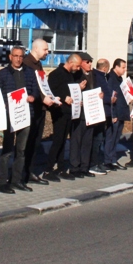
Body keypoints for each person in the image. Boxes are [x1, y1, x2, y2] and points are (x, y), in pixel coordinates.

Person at [0, 46, 38, 194]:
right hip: (9, 117)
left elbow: (35, 90)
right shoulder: (2, 74)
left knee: (21, 150)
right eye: (15, 56)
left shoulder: (30, 73)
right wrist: (4, 103)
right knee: (7, 150)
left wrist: (33, 97)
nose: (18, 59)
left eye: (21, 56)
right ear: (10, 57)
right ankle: (1, 182)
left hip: (25, 115)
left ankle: (16, 180)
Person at [43, 54, 83, 182]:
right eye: (77, 66)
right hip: (59, 111)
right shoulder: (56, 74)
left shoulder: (70, 75)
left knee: (63, 140)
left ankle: (61, 168)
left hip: (68, 111)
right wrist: (64, 97)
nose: (78, 68)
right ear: (71, 62)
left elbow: (71, 91)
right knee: (58, 140)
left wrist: (77, 99)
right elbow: (50, 91)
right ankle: (48, 169)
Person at [21, 39, 51, 185]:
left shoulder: (38, 64)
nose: (47, 52)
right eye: (45, 49)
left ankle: (30, 171)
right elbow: (30, 87)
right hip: (31, 109)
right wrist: (43, 98)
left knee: (35, 142)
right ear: (36, 48)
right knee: (28, 142)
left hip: (40, 109)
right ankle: (24, 173)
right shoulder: (27, 64)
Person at [69, 53, 99, 178]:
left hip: (91, 114)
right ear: (81, 63)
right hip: (79, 114)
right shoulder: (76, 75)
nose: (90, 64)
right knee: (76, 141)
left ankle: (84, 167)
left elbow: (97, 89)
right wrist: (79, 89)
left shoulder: (93, 75)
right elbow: (71, 91)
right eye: (87, 62)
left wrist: (100, 94)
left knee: (87, 142)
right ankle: (74, 167)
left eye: (91, 61)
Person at [104, 58, 130, 170]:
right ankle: (107, 161)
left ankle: (113, 160)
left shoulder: (120, 79)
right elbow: (110, 98)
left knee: (116, 138)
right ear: (116, 67)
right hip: (114, 114)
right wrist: (113, 115)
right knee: (110, 138)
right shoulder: (111, 79)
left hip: (121, 113)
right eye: (123, 67)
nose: (125, 70)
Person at [89, 58, 112, 175]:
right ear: (105, 68)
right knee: (97, 139)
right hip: (98, 112)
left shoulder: (102, 76)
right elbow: (100, 95)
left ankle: (97, 162)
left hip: (103, 112)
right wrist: (110, 99)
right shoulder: (98, 77)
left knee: (100, 138)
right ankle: (93, 164)